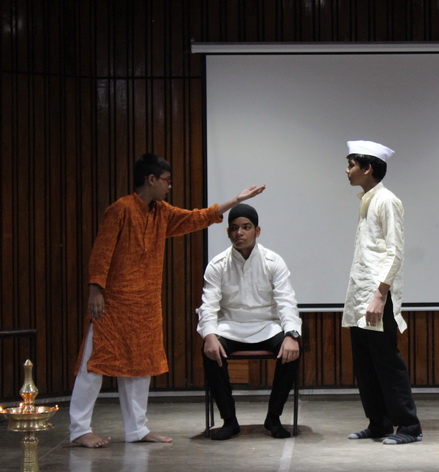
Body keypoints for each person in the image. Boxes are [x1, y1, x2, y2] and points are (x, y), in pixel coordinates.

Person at [69, 152, 265, 448]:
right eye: (166, 180)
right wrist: (95, 289)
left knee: (141, 366)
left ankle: (137, 429)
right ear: (151, 179)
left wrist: (235, 200)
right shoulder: (120, 209)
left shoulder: (161, 212)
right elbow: (102, 251)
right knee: (95, 363)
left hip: (146, 305)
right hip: (114, 304)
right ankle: (79, 428)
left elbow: (197, 217)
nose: (169, 186)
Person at [197, 203, 301, 440]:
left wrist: (291, 335)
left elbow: (287, 301)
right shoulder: (217, 264)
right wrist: (209, 336)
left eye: (246, 227)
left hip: (267, 326)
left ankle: (273, 418)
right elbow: (208, 305)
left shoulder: (273, 261)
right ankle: (229, 421)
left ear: (257, 231)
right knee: (210, 351)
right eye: (234, 228)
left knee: (292, 351)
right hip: (230, 327)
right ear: (228, 232)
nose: (239, 233)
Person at [342, 140, 422, 445]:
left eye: (351, 165)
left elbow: (395, 251)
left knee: (387, 362)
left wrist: (380, 294)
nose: (347, 170)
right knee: (365, 363)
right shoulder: (367, 200)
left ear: (367, 168)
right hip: (362, 295)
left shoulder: (387, 200)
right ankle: (378, 423)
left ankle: (410, 427)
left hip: (377, 295)